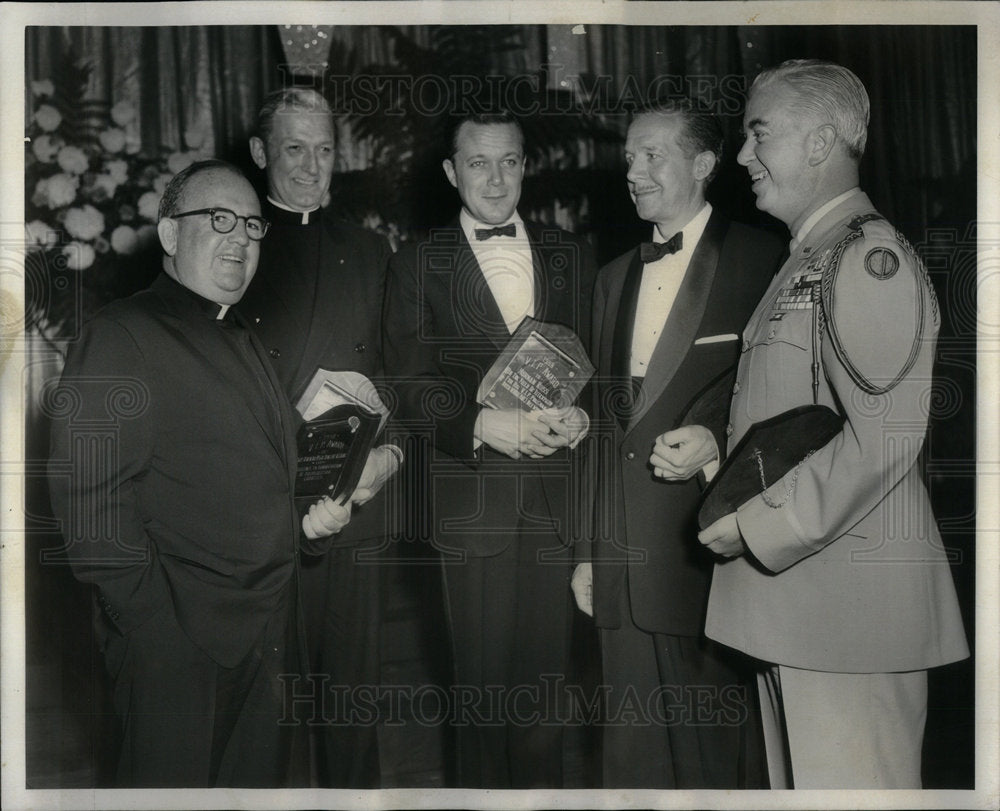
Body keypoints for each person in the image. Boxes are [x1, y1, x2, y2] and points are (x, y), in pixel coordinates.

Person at [697, 59, 969, 788]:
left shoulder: (866, 257)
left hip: (850, 622)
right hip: (807, 615)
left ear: (819, 143)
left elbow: (883, 436)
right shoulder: (812, 256)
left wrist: (757, 524)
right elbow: (797, 423)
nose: (744, 157)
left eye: (759, 136)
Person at [47, 160, 351, 787]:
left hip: (266, 641)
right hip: (178, 652)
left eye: (252, 225)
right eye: (218, 220)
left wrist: (319, 519)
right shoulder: (121, 333)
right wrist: (158, 633)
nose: (240, 237)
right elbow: (90, 507)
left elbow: (273, 478)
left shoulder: (242, 334)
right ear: (168, 234)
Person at [569, 100, 783, 788]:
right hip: (621, 571)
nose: (633, 171)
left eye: (651, 155)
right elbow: (605, 432)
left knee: (715, 765)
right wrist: (587, 554)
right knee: (630, 768)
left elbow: (794, 405)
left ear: (703, 164)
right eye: (629, 157)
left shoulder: (765, 257)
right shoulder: (610, 279)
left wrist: (717, 439)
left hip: (711, 564)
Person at [383, 111, 597, 788]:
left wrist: (582, 419)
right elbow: (404, 381)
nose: (496, 177)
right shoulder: (418, 260)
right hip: (473, 505)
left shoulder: (569, 252)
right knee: (480, 706)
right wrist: (482, 423)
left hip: (556, 504)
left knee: (545, 703)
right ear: (452, 172)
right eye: (479, 162)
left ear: (525, 166)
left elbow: (598, 368)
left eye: (509, 160)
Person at [239, 86, 397, 788]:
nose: (311, 166)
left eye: (325, 149)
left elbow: (403, 378)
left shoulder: (370, 250)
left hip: (353, 518)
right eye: (294, 148)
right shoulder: (232, 247)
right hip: (258, 523)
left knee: (351, 715)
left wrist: (385, 460)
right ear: (259, 153)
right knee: (261, 719)